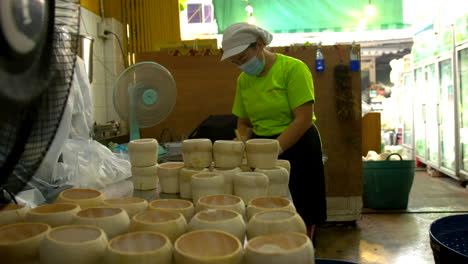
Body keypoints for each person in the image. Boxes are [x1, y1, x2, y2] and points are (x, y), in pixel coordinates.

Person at [220, 22, 327, 242]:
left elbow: (304, 118)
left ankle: (303, 247)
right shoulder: (244, 80)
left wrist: (275, 148)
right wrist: (241, 139)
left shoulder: (293, 69)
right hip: (262, 146)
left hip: (298, 143)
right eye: (235, 62)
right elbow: (244, 121)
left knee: (302, 205)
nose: (241, 65)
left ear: (259, 45)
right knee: (266, 206)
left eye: (242, 58)